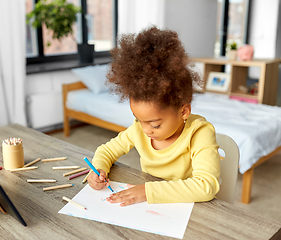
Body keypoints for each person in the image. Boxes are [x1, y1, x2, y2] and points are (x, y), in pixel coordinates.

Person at [87, 26, 220, 207]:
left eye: (155, 125)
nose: (145, 129)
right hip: (152, 207)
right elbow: (107, 150)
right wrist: (99, 167)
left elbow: (206, 186)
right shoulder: (140, 129)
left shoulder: (199, 133)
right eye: (139, 120)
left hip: (189, 208)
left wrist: (147, 191)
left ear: (183, 112)